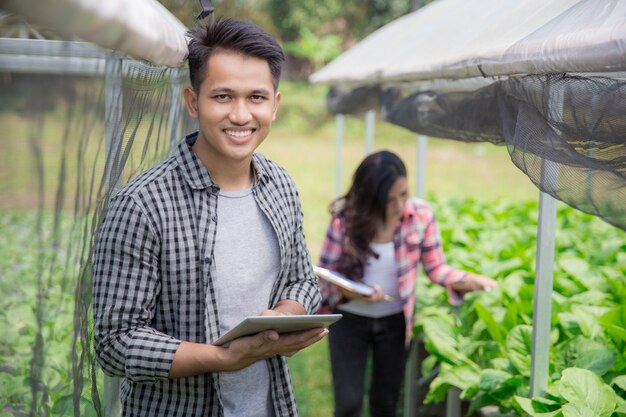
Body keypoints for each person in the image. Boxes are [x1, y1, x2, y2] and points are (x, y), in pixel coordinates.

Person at [92, 17, 326, 417]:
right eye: (222, 97)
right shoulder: (142, 204)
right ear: (192, 102)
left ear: (275, 104)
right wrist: (222, 358)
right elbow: (115, 343)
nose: (240, 115)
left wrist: (284, 316)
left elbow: (302, 278)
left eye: (256, 97)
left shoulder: (280, 185)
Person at [318, 150, 497, 417]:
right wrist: (349, 291)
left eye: (404, 194)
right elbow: (325, 273)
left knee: (386, 403)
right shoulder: (346, 219)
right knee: (348, 403)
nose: (400, 205)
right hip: (350, 320)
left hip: (394, 322)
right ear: (370, 198)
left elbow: (436, 269)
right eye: (390, 200)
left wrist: (468, 280)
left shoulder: (420, 215)